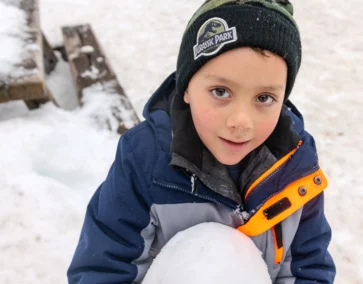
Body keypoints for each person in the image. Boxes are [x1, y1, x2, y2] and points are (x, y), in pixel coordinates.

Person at [67, 0, 336, 283]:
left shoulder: (296, 165)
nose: (241, 121)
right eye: (220, 91)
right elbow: (103, 267)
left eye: (264, 98)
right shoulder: (145, 160)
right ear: (186, 89)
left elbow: (308, 268)